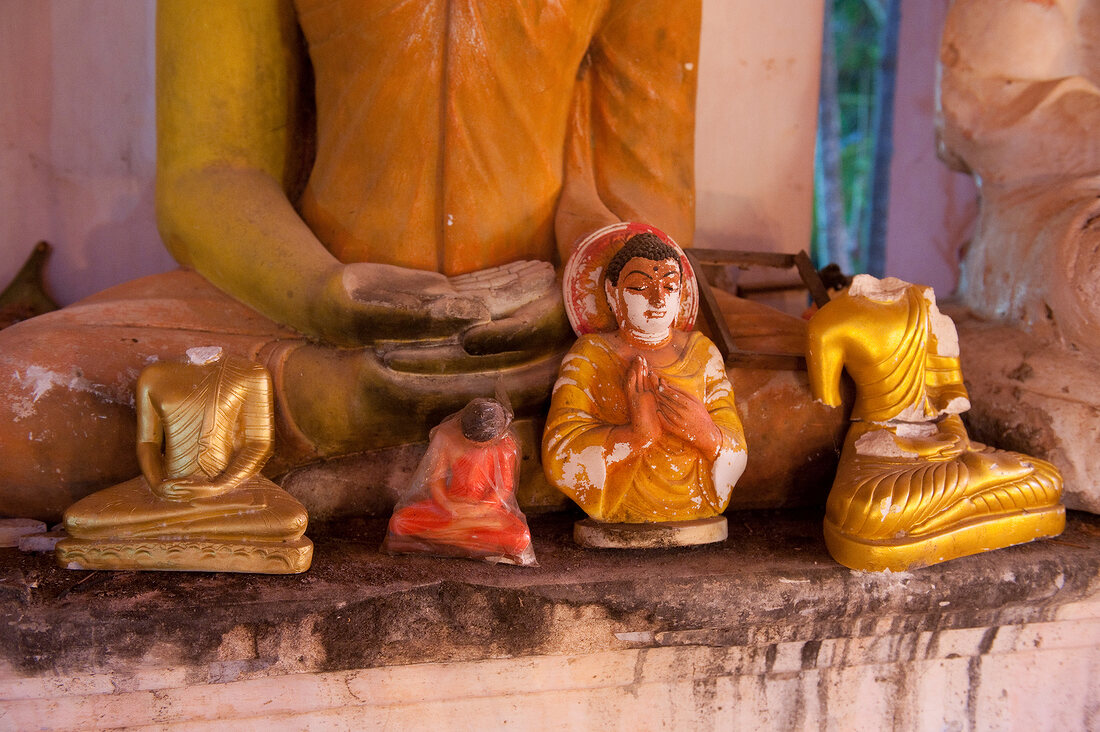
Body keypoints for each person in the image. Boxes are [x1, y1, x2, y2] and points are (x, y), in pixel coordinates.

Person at [0, 1, 702, 520]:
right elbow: (212, 172)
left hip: (558, 347)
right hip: (311, 331)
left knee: (795, 404)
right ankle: (462, 454)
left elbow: (645, 195)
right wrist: (321, 295)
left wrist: (583, 295)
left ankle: (346, 474)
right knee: (14, 408)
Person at [807, 275, 1064, 571]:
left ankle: (972, 477)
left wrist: (956, 438)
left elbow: (828, 400)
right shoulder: (835, 323)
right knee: (865, 509)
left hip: (937, 443)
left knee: (1049, 479)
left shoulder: (830, 322)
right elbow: (949, 399)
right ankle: (981, 476)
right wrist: (938, 447)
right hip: (879, 445)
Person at [543, 233, 747, 523]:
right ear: (612, 294)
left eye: (669, 287)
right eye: (639, 287)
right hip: (621, 504)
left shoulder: (703, 354)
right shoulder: (591, 355)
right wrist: (635, 436)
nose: (658, 298)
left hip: (696, 502)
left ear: (681, 296)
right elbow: (558, 456)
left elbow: (736, 446)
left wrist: (705, 433)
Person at [57, 348, 312, 574]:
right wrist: (157, 485)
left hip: (231, 487)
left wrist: (219, 487)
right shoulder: (155, 375)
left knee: (291, 520)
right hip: (168, 487)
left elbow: (259, 444)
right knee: (78, 520)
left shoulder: (249, 373)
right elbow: (148, 443)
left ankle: (156, 538)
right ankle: (199, 536)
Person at [383, 398, 535, 565]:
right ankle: (469, 541)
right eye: (470, 441)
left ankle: (446, 538)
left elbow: (504, 488)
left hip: (484, 513)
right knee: (399, 522)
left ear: (497, 435)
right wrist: (449, 506)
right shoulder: (447, 437)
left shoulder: (505, 445)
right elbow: (436, 480)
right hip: (449, 507)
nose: (475, 446)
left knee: (521, 537)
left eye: (481, 445)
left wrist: (478, 511)